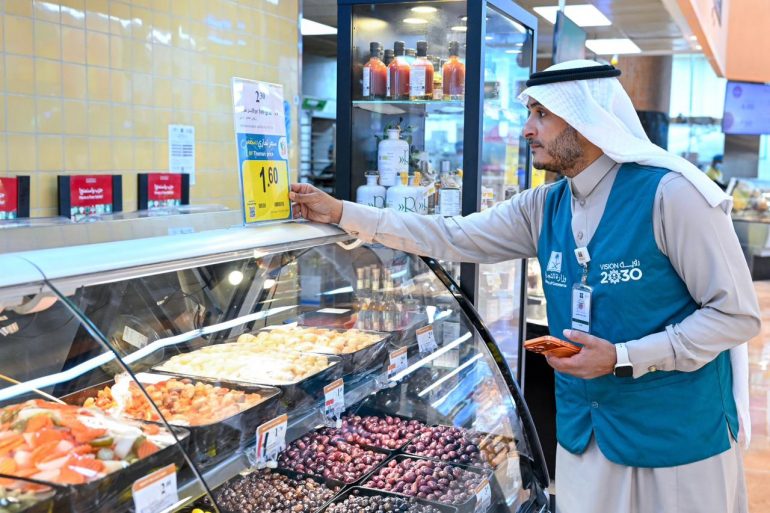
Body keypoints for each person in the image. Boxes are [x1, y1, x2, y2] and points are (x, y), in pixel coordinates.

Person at [289, 59, 760, 513]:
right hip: (585, 433)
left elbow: (736, 315)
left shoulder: (672, 196)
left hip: (675, 438)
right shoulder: (544, 206)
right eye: (529, 114)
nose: (527, 129)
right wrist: (344, 213)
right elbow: (452, 235)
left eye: (541, 114)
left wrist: (623, 357)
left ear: (586, 120)